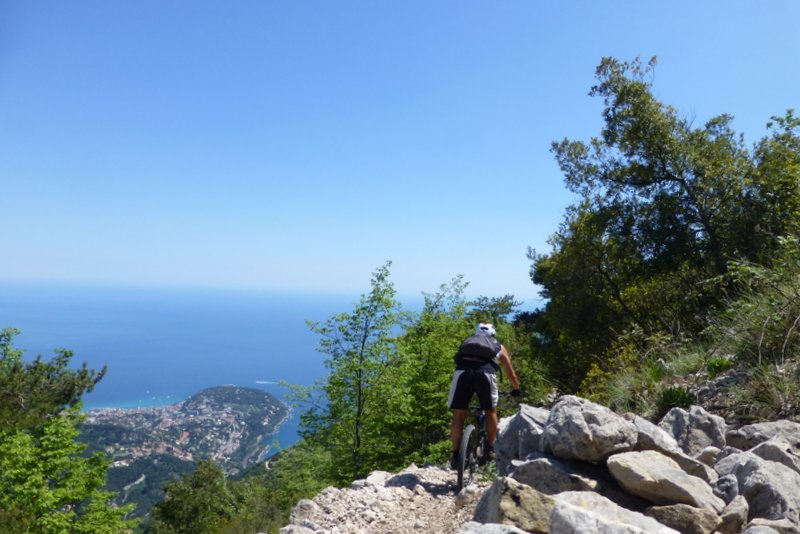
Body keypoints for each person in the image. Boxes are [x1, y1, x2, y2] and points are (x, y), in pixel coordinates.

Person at [448, 322, 520, 469]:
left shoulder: (467, 342)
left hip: (462, 373)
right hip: (485, 374)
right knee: (490, 411)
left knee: (458, 414)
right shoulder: (497, 345)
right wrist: (516, 389)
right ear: (492, 333)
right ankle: (491, 449)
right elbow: (510, 373)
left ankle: (455, 456)